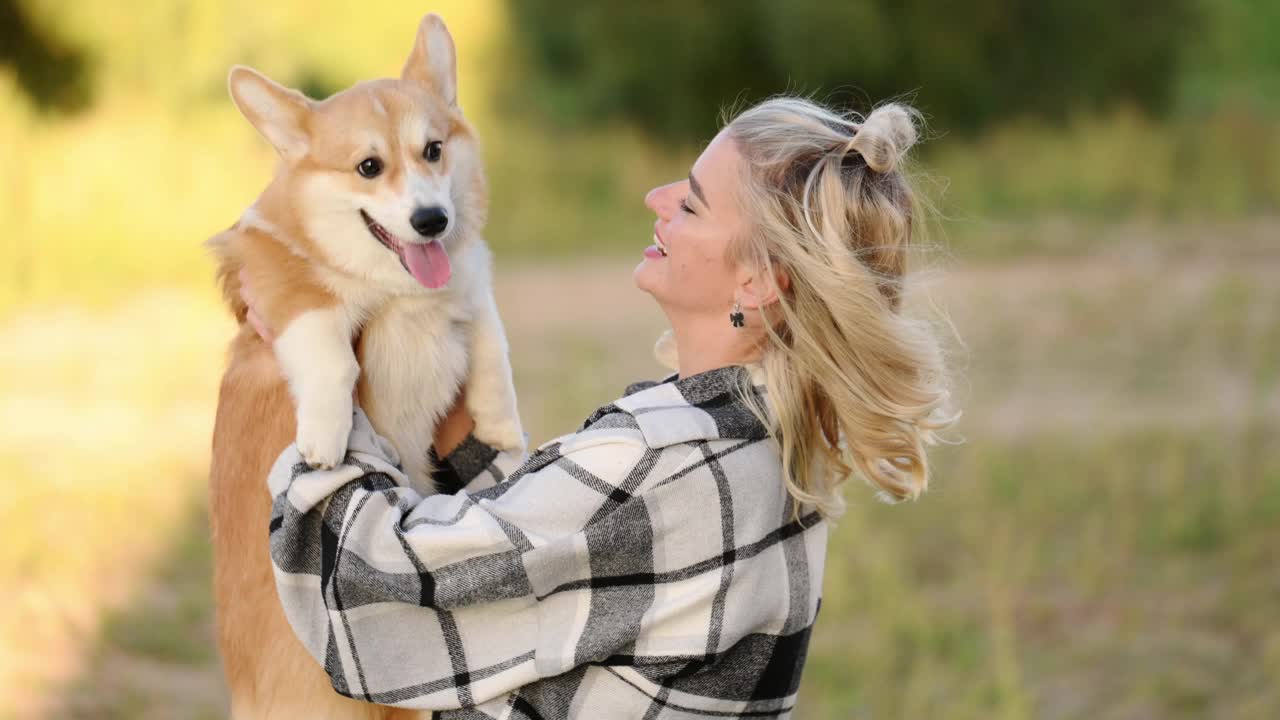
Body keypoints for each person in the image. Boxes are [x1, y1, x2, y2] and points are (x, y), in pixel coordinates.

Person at [248, 96, 958, 719]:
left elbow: (374, 574)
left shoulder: (662, 458)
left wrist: (312, 363)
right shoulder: (772, 439)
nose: (656, 196)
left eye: (692, 203)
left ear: (758, 282)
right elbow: (534, 558)